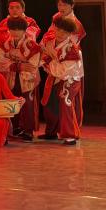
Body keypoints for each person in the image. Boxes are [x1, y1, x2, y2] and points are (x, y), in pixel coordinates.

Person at [0, 16, 42, 141]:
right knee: (11, 101)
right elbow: (0, 62)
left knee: (28, 105)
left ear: (24, 30)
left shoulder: (31, 45)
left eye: (19, 29)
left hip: (27, 79)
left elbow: (32, 66)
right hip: (10, 78)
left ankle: (28, 131)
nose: (15, 32)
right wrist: (20, 64)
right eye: (12, 29)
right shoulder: (3, 42)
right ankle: (14, 128)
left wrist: (12, 62)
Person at [41, 15, 84, 145]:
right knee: (48, 102)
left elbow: (65, 71)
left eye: (64, 32)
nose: (60, 33)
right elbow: (42, 58)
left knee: (65, 101)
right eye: (58, 29)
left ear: (70, 34)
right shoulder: (50, 42)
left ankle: (70, 135)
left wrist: (49, 64)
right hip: (55, 76)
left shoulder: (71, 49)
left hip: (70, 79)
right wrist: (47, 62)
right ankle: (52, 131)